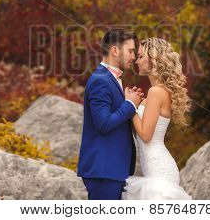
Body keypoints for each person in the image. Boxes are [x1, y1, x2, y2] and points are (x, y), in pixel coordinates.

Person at [77, 27, 144, 199]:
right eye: (130, 51)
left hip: (112, 169)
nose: (134, 57)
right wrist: (130, 104)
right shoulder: (101, 80)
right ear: (115, 50)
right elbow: (104, 124)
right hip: (103, 169)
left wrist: (132, 101)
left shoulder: (111, 79)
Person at [122, 37, 193, 200]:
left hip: (159, 172)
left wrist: (130, 106)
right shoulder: (157, 91)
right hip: (154, 169)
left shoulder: (156, 92)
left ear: (153, 59)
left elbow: (146, 136)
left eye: (140, 57)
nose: (136, 61)